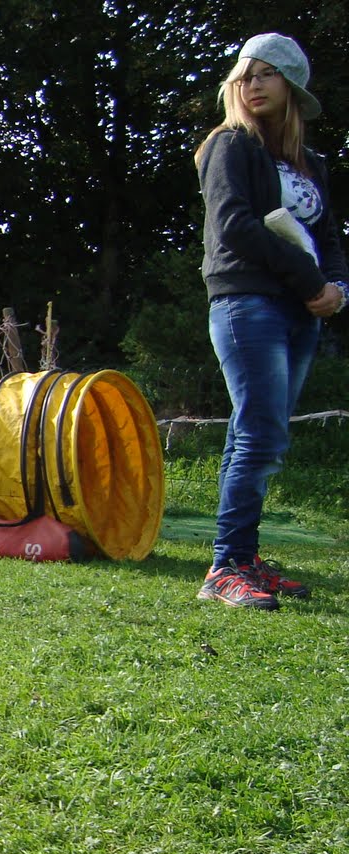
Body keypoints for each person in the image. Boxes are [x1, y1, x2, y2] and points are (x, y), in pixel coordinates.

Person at [194, 32, 347, 609]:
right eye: (246, 75)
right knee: (262, 433)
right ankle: (225, 568)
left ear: (293, 87)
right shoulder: (229, 145)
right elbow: (233, 226)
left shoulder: (310, 165)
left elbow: (328, 240)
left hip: (300, 310)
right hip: (246, 301)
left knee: (254, 432)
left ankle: (243, 558)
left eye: (267, 74)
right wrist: (310, 280)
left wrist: (338, 289)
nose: (253, 85)